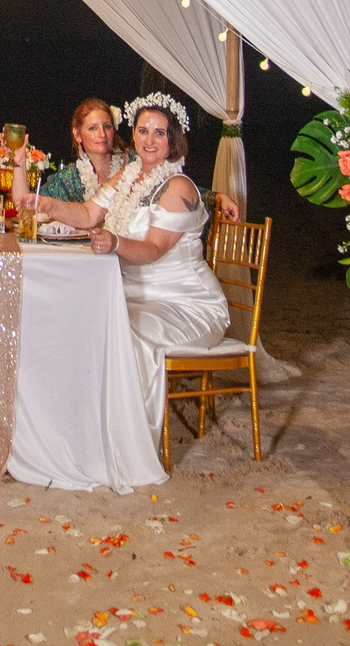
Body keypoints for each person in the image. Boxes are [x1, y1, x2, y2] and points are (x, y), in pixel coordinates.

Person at [69, 93, 230, 434]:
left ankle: (129, 436)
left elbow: (154, 249)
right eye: (143, 131)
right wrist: (40, 203)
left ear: (173, 139)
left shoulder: (179, 187)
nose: (149, 140)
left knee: (129, 333)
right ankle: (89, 428)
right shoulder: (128, 176)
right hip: (135, 296)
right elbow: (87, 213)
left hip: (187, 304)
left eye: (159, 133)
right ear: (134, 134)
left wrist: (114, 242)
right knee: (84, 320)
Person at [25, 97, 127, 229]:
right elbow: (28, 205)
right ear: (77, 134)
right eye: (93, 128)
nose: (102, 134)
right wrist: (19, 161)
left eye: (107, 126)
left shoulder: (132, 165)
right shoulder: (68, 179)